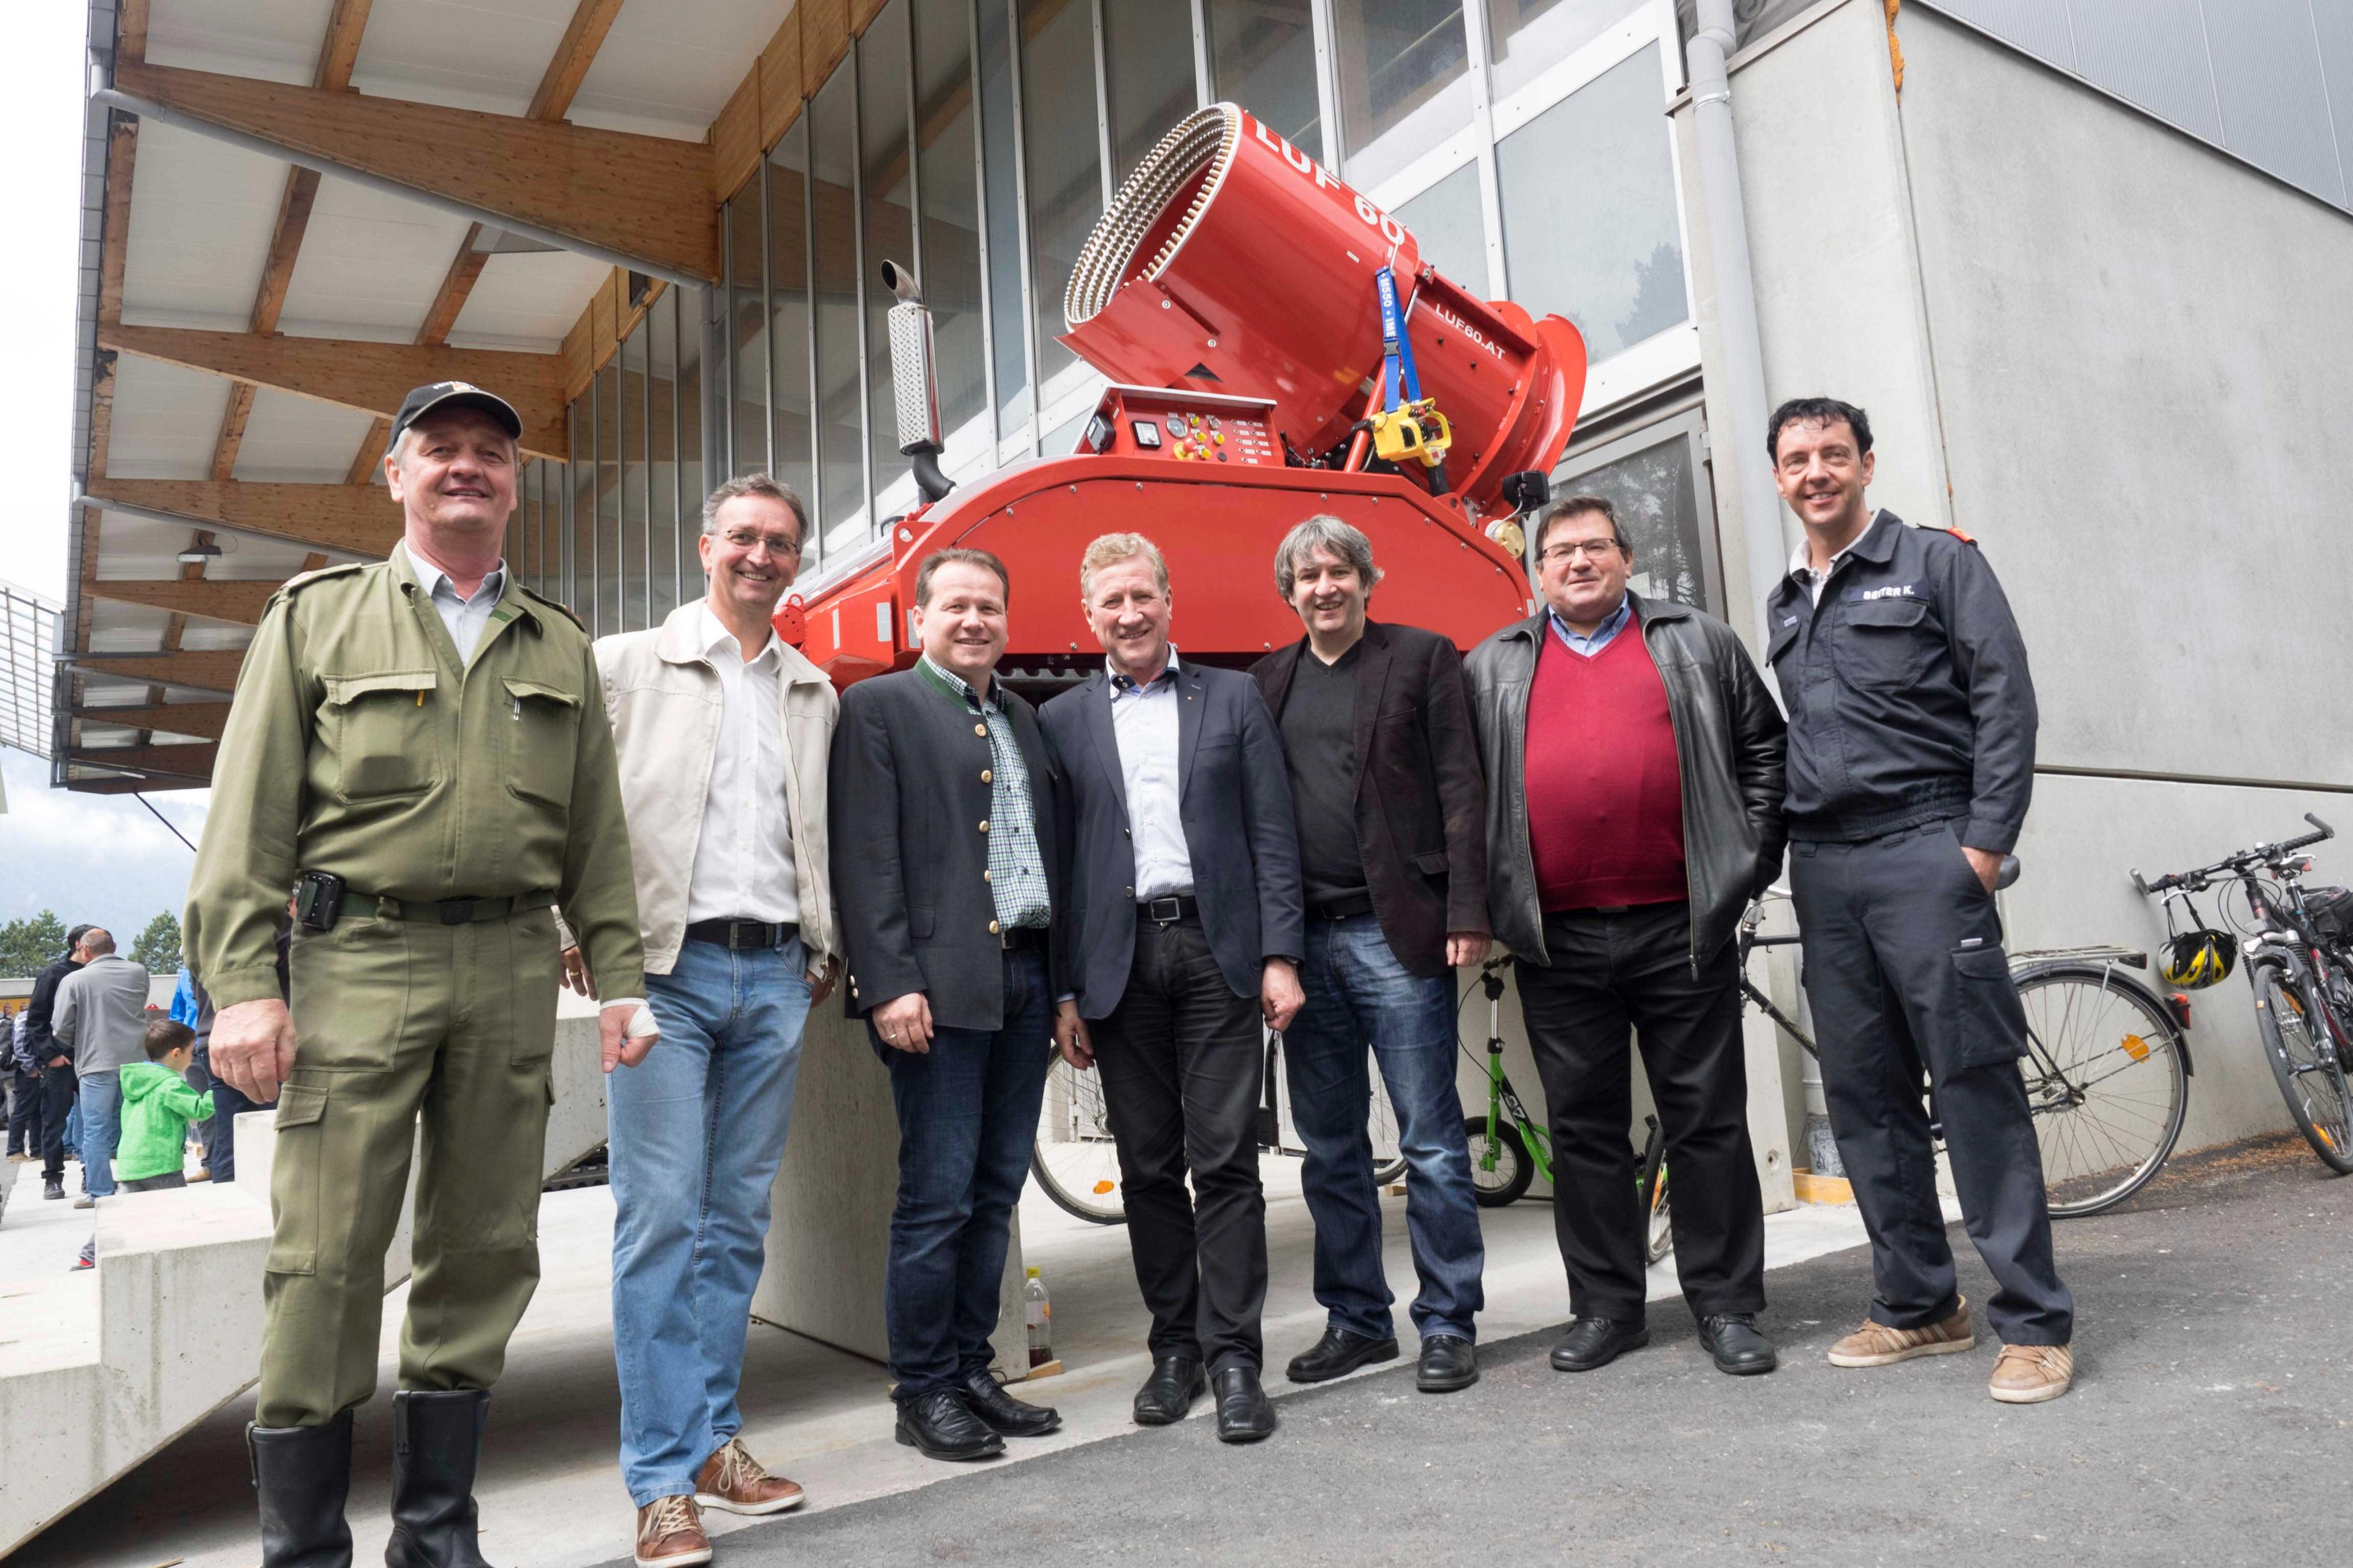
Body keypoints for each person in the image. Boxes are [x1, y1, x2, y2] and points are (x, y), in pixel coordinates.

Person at [185, 381, 654, 1568]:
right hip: (360, 955)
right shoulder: (318, 619)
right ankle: (306, 1551)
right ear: (394, 475)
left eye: (490, 452)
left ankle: (437, 1536)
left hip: (509, 965)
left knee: (487, 1246)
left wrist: (622, 980)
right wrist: (243, 984)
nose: (466, 467)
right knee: (327, 1254)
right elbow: (246, 818)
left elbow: (597, 837)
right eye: (439, 448)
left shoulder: (558, 642)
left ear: (514, 483)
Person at [1761, 396, 2073, 1404]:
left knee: (1974, 1081)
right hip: (1826, 866)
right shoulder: (1785, 600)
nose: (1816, 472)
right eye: (1797, 458)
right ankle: (1919, 1304)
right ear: (1778, 477)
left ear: (1866, 463)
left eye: (1833, 453)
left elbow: (2005, 699)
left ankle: (2033, 1324)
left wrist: (1981, 847)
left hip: (1926, 847)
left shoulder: (1938, 562)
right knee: (1865, 1095)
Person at [560, 474, 840, 1567]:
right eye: (743, 537)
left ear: (797, 560)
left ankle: (715, 1440)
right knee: (660, 1219)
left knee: (736, 1221)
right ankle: (662, 1479)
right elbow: (566, 808)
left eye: (781, 542)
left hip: (774, 973)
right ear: (705, 545)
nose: (761, 556)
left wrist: (822, 947)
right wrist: (580, 939)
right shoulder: (626, 665)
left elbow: (814, 830)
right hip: (662, 974)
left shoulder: (811, 690)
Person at [1465, 496, 1788, 1378]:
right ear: (1537, 571)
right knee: (1584, 1131)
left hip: (1683, 927)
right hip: (1557, 941)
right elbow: (1464, 795)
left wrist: (1746, 864)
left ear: (1627, 557)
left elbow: (1766, 753)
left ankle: (1727, 1304)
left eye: (1596, 547)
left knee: (1707, 1121)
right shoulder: (1491, 664)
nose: (1579, 562)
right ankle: (1608, 1308)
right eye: (1561, 551)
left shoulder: (1698, 641)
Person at [1040, 533, 1305, 1444]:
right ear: (1089, 616)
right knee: (1148, 1167)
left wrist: (1281, 954)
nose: (1129, 613)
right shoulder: (1061, 719)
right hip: (1116, 965)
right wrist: (1065, 991)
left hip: (1216, 949)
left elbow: (1273, 832)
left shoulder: (1232, 696)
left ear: (1168, 598)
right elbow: (1061, 863)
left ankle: (1234, 1357)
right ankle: (1175, 1350)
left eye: (1141, 595)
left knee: (1225, 1162)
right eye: (1111, 601)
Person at [831, 547, 1067, 1466]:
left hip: (1025, 981)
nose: (975, 620)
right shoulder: (878, 707)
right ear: (920, 617)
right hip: (935, 989)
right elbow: (866, 855)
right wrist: (888, 981)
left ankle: (972, 1369)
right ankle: (923, 1388)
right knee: (937, 1197)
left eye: (990, 607)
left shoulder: (1020, 715)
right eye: (956, 605)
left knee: (995, 1190)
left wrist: (1063, 988)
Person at [1247, 516, 1491, 1395]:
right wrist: (1270, 950)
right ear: (1290, 591)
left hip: (1398, 934)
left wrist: (1468, 908)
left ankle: (1448, 1321)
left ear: (1365, 579)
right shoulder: (1267, 681)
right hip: (1305, 945)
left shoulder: (1422, 658)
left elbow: (1462, 785)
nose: (1324, 586)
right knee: (1330, 1148)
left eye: (1338, 570)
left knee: (1431, 1142)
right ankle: (1357, 1319)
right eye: (1308, 574)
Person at [51, 927, 152, 1212]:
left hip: (95, 1062)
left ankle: (100, 1192)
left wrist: (81, 1039)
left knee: (96, 1130)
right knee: (135, 1125)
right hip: (137, 1061)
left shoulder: (74, 980)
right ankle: (139, 1182)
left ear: (84, 950)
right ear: (114, 947)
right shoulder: (138, 972)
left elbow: (61, 1027)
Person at [22, 924, 91, 1202]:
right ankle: (52, 1178)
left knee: (96, 1120)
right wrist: (51, 1055)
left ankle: (92, 1175)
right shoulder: (53, 974)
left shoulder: (98, 973)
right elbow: (36, 1020)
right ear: (79, 945)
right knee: (55, 1121)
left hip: (93, 1058)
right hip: (61, 1061)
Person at [116, 1018, 213, 1193]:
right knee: (173, 1209)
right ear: (176, 1053)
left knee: (135, 1210)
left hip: (129, 1167)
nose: (192, 1057)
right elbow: (199, 1110)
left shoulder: (136, 1082)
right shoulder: (170, 1085)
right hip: (162, 1167)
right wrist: (216, 1090)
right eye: (191, 1052)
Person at [6, 1006, 40, 1165]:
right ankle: (15, 1150)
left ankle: (37, 1149)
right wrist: (29, 1067)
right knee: (22, 1109)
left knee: (36, 1111)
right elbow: (19, 1044)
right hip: (27, 1071)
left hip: (32, 1069)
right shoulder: (26, 1017)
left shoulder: (27, 1016)